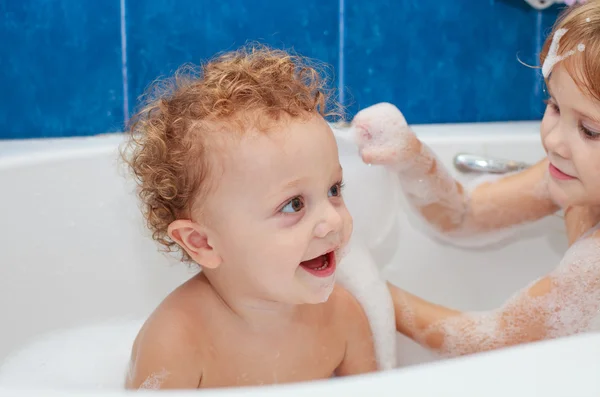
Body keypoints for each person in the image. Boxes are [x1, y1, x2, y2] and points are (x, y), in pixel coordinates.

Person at [352, 0, 600, 357]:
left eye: (590, 130)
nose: (555, 142)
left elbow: (489, 340)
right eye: (555, 106)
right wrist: (413, 158)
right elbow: (466, 214)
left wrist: (363, 286)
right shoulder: (576, 179)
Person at [121, 44, 377, 389]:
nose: (332, 221)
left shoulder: (343, 317)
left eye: (333, 190)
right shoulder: (177, 343)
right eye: (294, 205)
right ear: (202, 243)